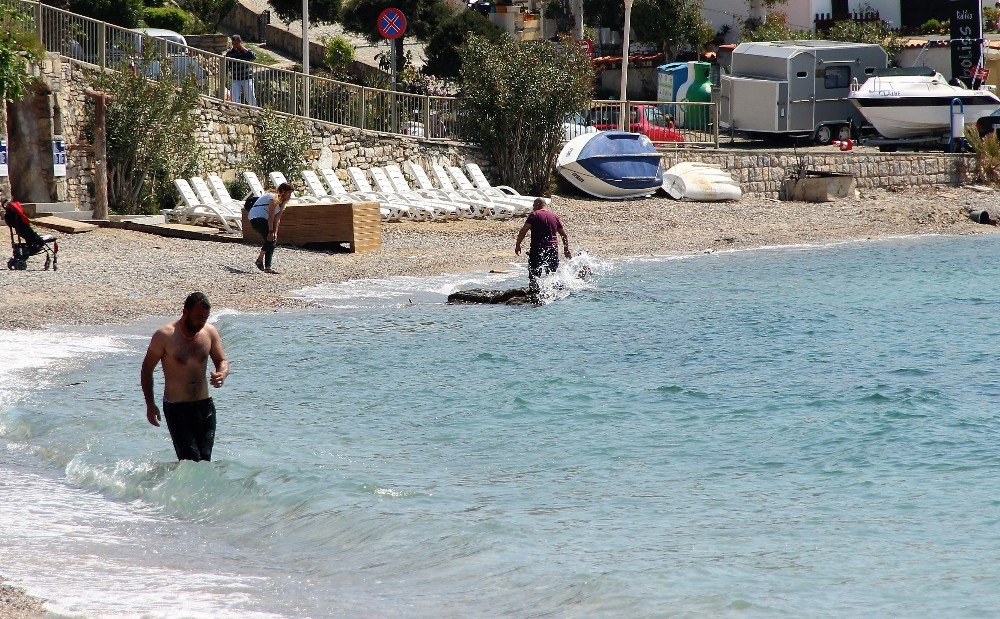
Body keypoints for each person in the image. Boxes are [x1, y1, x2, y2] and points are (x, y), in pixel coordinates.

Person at [141, 292, 229, 462]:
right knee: (190, 461)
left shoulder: (209, 332)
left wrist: (222, 374)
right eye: (198, 317)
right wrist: (150, 404)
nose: (202, 322)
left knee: (204, 462)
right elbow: (146, 370)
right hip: (177, 408)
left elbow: (222, 360)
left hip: (205, 406)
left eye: (205, 317)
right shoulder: (164, 336)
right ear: (185, 312)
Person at [514, 198, 571, 291]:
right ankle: (554, 297)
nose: (533, 208)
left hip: (538, 249)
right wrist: (566, 249)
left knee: (534, 275)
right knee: (553, 275)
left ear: (538, 204)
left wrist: (518, 244)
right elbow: (564, 235)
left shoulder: (534, 215)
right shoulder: (554, 216)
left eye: (533, 206)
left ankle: (534, 296)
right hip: (552, 249)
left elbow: (523, 231)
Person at [247, 182, 292, 274]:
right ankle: (259, 260)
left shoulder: (282, 203)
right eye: (289, 192)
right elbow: (271, 216)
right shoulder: (273, 197)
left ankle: (268, 267)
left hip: (263, 219)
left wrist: (275, 232)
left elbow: (277, 219)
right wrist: (271, 231)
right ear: (283, 192)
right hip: (256, 218)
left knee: (272, 241)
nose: (290, 195)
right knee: (270, 239)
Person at [225, 34, 257, 105]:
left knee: (250, 97)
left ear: (240, 42)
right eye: (233, 44)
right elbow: (227, 65)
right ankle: (234, 111)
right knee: (234, 98)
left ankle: (255, 111)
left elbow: (253, 57)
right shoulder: (230, 53)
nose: (235, 45)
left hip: (247, 78)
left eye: (236, 43)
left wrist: (243, 48)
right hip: (235, 79)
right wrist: (226, 76)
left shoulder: (247, 52)